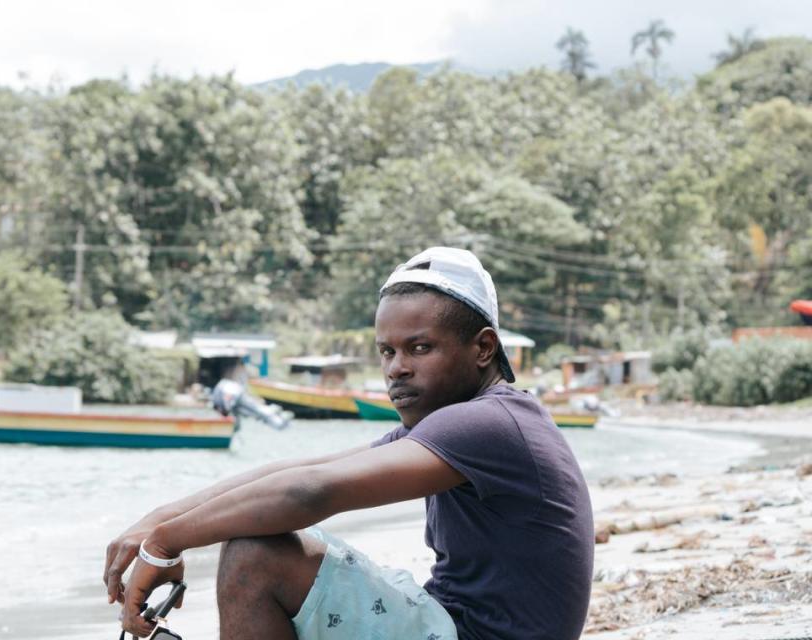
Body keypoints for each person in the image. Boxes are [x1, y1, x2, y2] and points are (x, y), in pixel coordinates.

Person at [105, 247, 594, 640]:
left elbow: (311, 493)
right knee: (259, 529)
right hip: (445, 623)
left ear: (483, 348)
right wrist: (160, 519)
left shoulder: (489, 423)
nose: (397, 367)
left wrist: (166, 544)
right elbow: (293, 472)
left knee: (256, 555)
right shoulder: (455, 426)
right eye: (387, 351)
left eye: (419, 348)